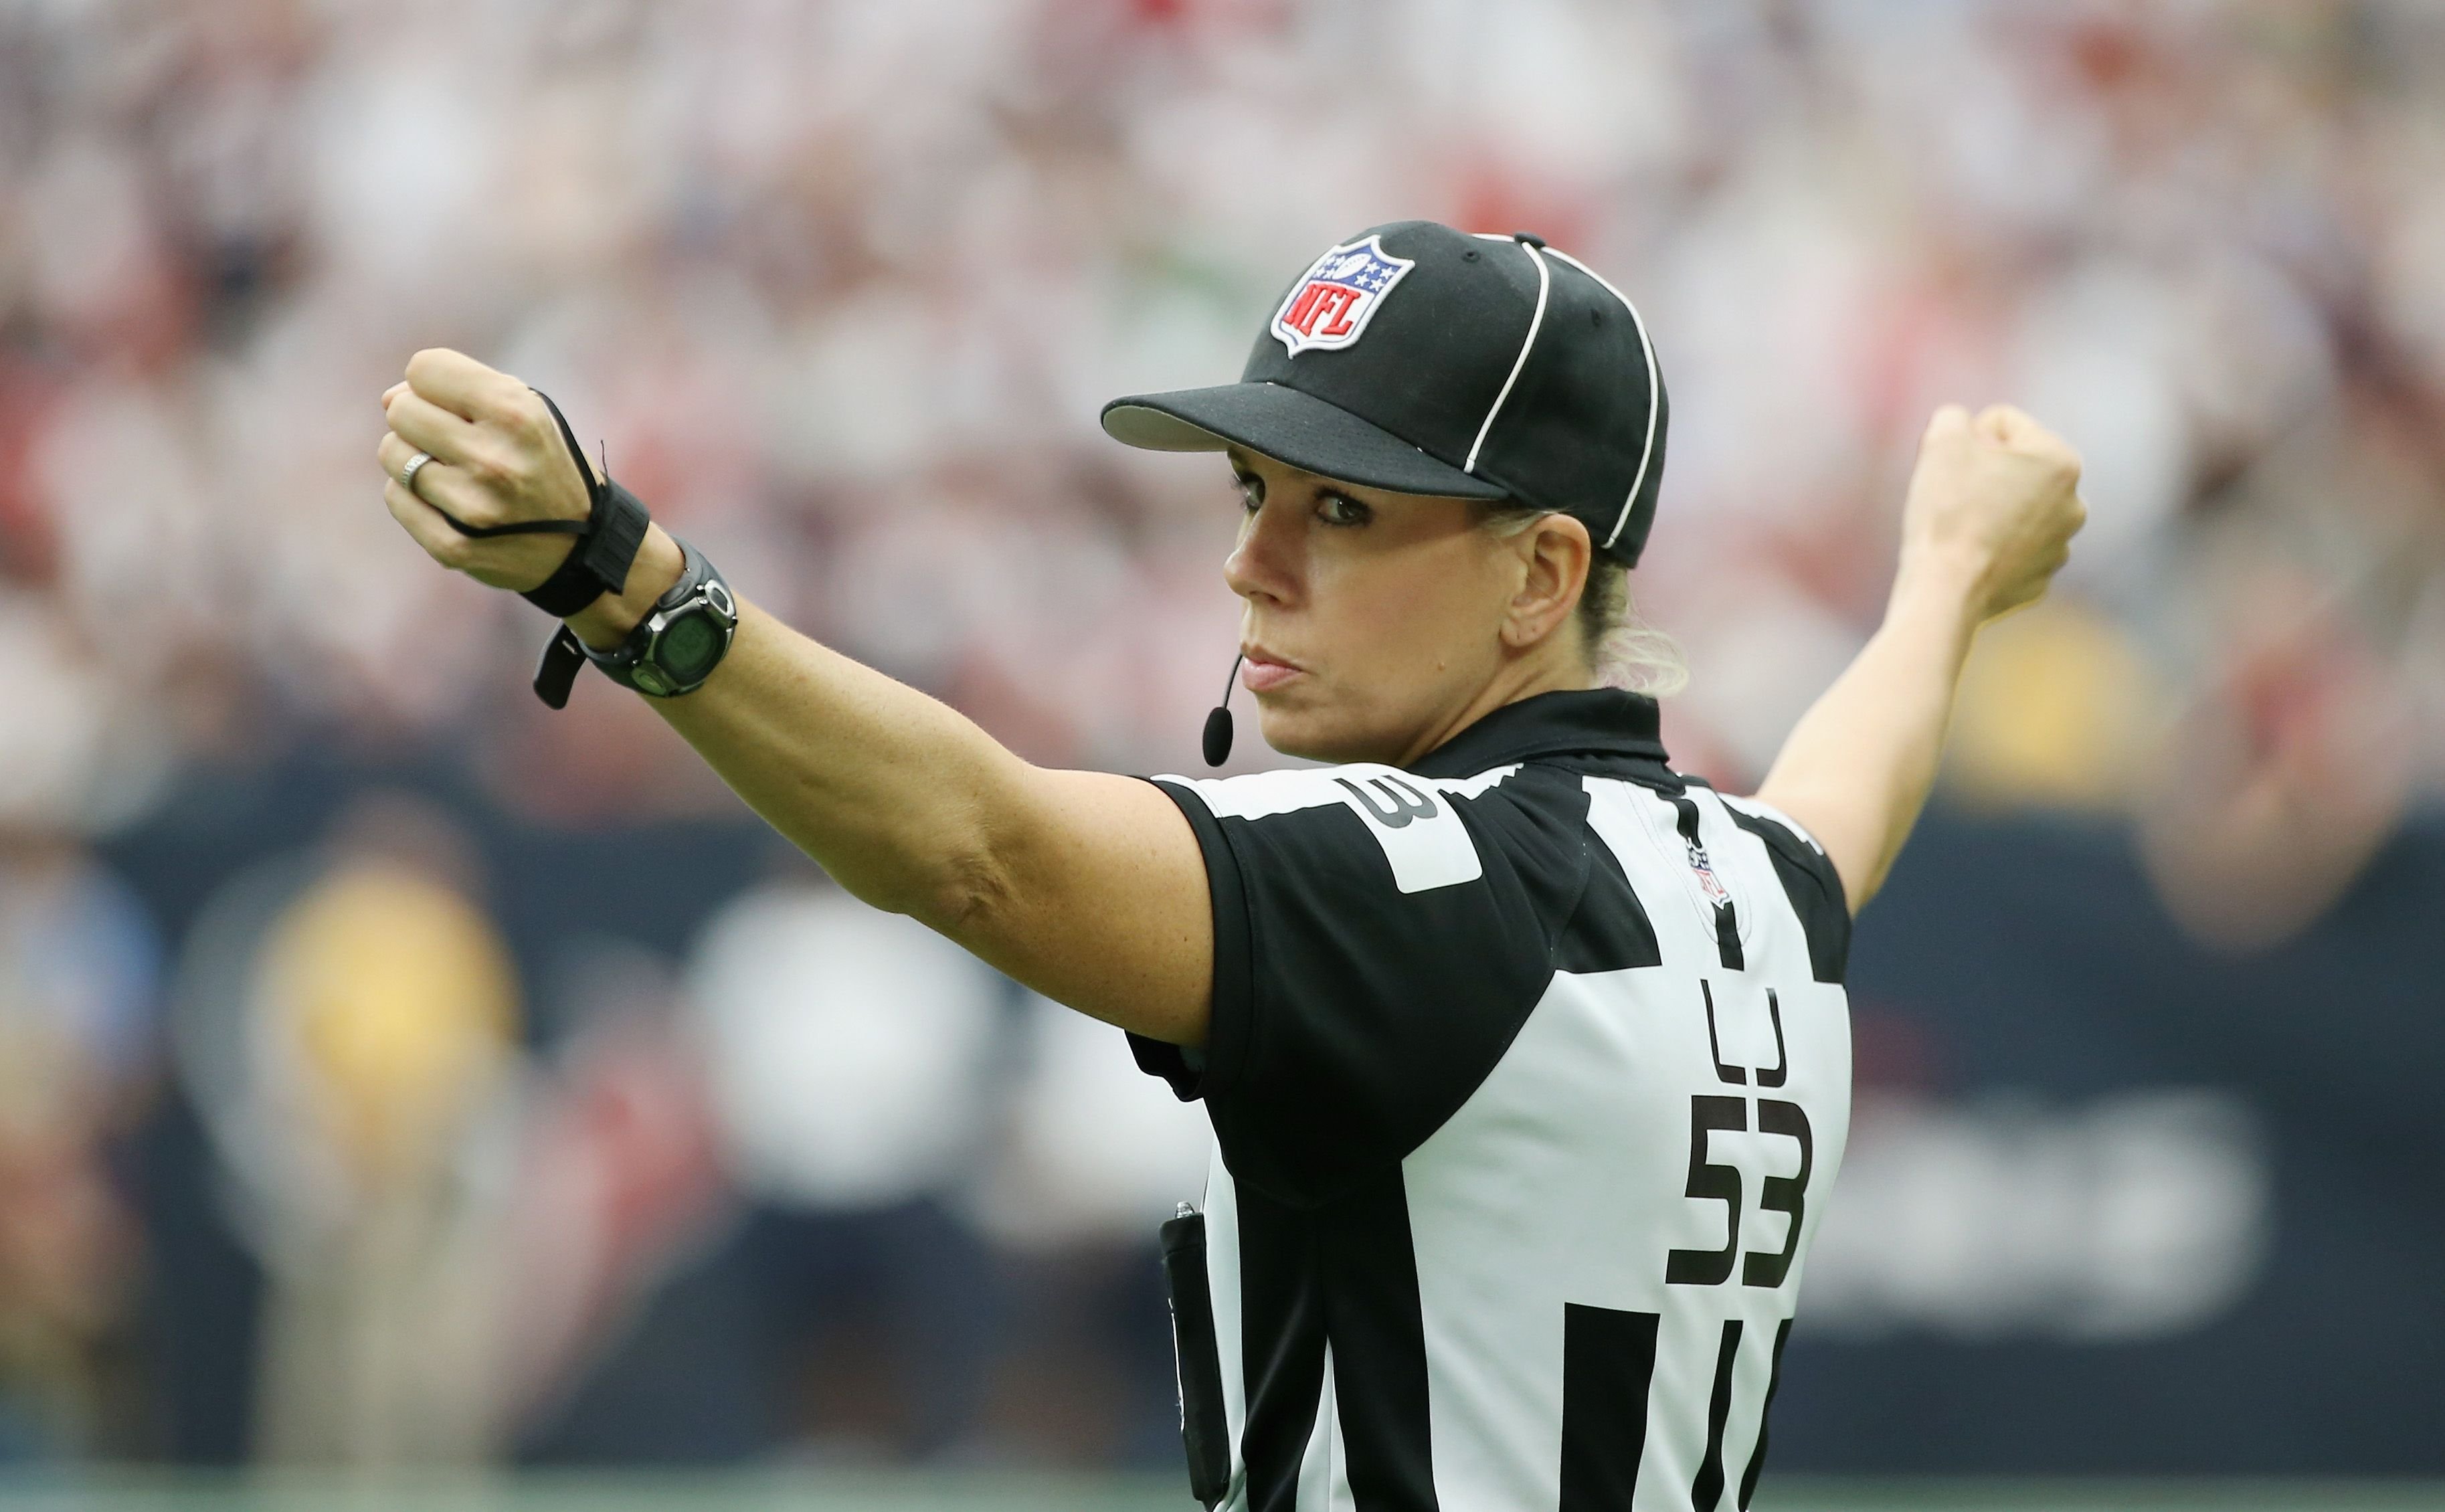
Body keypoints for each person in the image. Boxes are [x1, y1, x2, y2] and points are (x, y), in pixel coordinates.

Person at [373, 220, 2083, 1511]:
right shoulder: (1756, 885)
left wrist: (619, 571)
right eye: (1258, 487)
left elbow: (979, 848)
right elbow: (1845, 790)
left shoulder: (1419, 882)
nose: (1251, 561)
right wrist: (1942, 584)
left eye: (1342, 509)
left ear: (1541, 571)